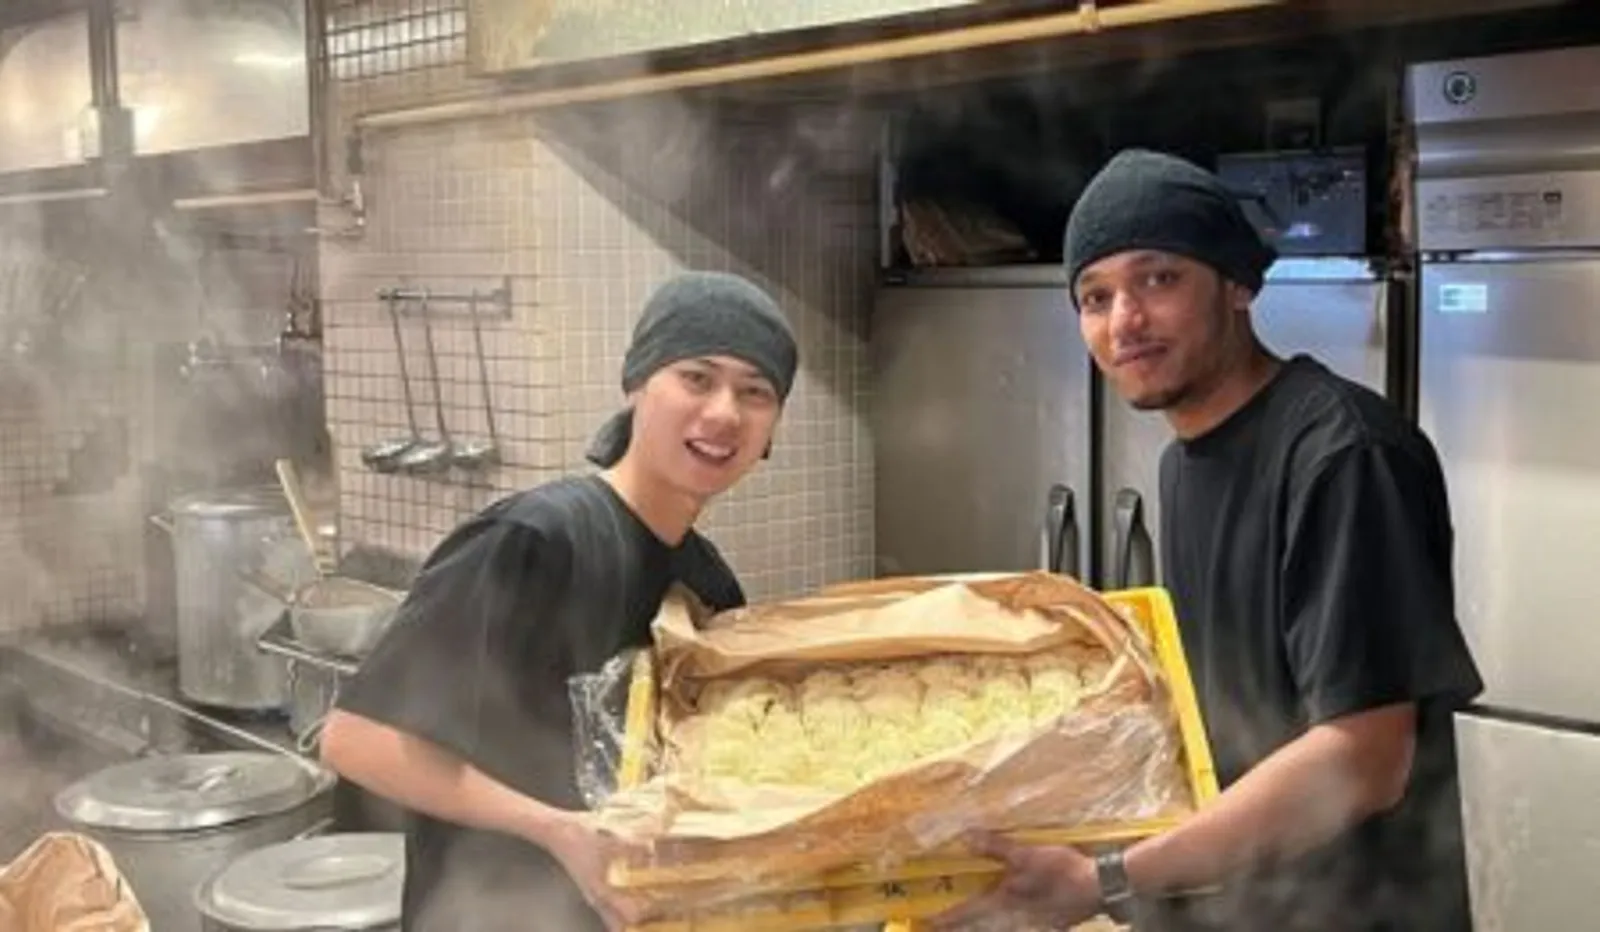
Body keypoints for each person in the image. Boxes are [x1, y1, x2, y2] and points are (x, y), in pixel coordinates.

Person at [930, 149, 1484, 932]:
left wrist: (1107, 880)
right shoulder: (1185, 463)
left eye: (1159, 279)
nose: (1124, 322)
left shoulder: (1344, 456)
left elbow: (1363, 760)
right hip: (1235, 902)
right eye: (1095, 296)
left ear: (1237, 285)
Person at [318, 271, 800, 932]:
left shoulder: (708, 585)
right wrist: (557, 831)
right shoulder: (535, 539)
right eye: (697, 377)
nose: (723, 413)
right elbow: (358, 740)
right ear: (637, 384)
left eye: (755, 392)